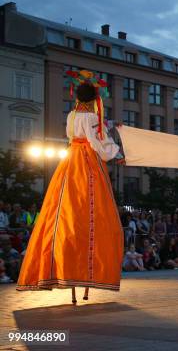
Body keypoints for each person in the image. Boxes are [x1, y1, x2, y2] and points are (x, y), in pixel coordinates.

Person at [16, 70, 124, 303]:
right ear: (94, 100)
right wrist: (115, 153)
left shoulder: (72, 116)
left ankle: (64, 271)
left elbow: (77, 134)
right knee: (95, 212)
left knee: (63, 209)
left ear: (78, 99)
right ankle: (87, 273)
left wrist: (109, 126)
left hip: (70, 159)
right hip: (87, 161)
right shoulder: (92, 118)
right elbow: (98, 141)